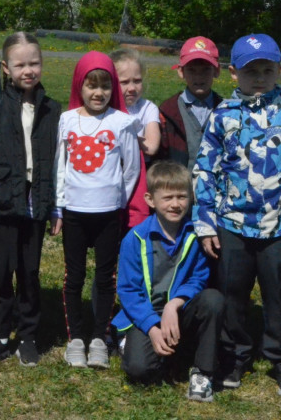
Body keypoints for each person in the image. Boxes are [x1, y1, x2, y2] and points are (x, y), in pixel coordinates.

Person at [193, 33, 281, 394]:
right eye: (250, 71)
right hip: (232, 224)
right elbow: (205, 170)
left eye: (267, 70)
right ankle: (235, 357)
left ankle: (277, 359)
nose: (258, 77)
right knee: (232, 296)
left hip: (276, 226)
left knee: (278, 297)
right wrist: (205, 222)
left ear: (278, 71)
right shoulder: (222, 116)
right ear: (233, 73)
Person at [0, 33, 60, 365]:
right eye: (20, 64)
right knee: (0, 273)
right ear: (6, 68)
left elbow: (57, 160)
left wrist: (56, 205)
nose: (28, 70)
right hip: (3, 204)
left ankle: (28, 336)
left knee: (30, 272)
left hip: (35, 204)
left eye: (34, 63)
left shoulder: (52, 109)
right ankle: (0, 336)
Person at [55, 51, 141, 369]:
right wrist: (59, 208)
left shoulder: (122, 122)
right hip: (75, 212)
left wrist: (118, 202)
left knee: (106, 277)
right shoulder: (68, 120)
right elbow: (59, 167)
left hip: (107, 214)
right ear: (80, 85)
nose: (98, 93)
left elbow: (131, 169)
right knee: (74, 276)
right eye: (91, 85)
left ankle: (98, 338)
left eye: (105, 86)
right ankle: (76, 338)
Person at [114, 161, 223, 403]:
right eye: (168, 197)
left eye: (182, 197)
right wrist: (152, 327)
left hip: (180, 309)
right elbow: (128, 291)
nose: (175, 204)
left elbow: (199, 276)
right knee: (139, 370)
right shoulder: (135, 239)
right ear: (150, 200)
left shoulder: (196, 235)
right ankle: (132, 342)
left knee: (213, 300)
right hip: (147, 313)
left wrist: (175, 304)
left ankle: (202, 373)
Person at [156, 37, 222, 170]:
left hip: (215, 187)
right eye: (191, 70)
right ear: (181, 71)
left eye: (205, 70)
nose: (199, 77)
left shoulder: (226, 110)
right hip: (179, 187)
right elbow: (160, 160)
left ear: (216, 71)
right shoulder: (167, 112)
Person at [111, 49, 156, 230]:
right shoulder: (107, 109)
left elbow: (151, 146)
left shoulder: (147, 108)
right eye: (124, 82)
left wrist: (125, 136)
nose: (132, 88)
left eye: (137, 81)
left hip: (138, 182)